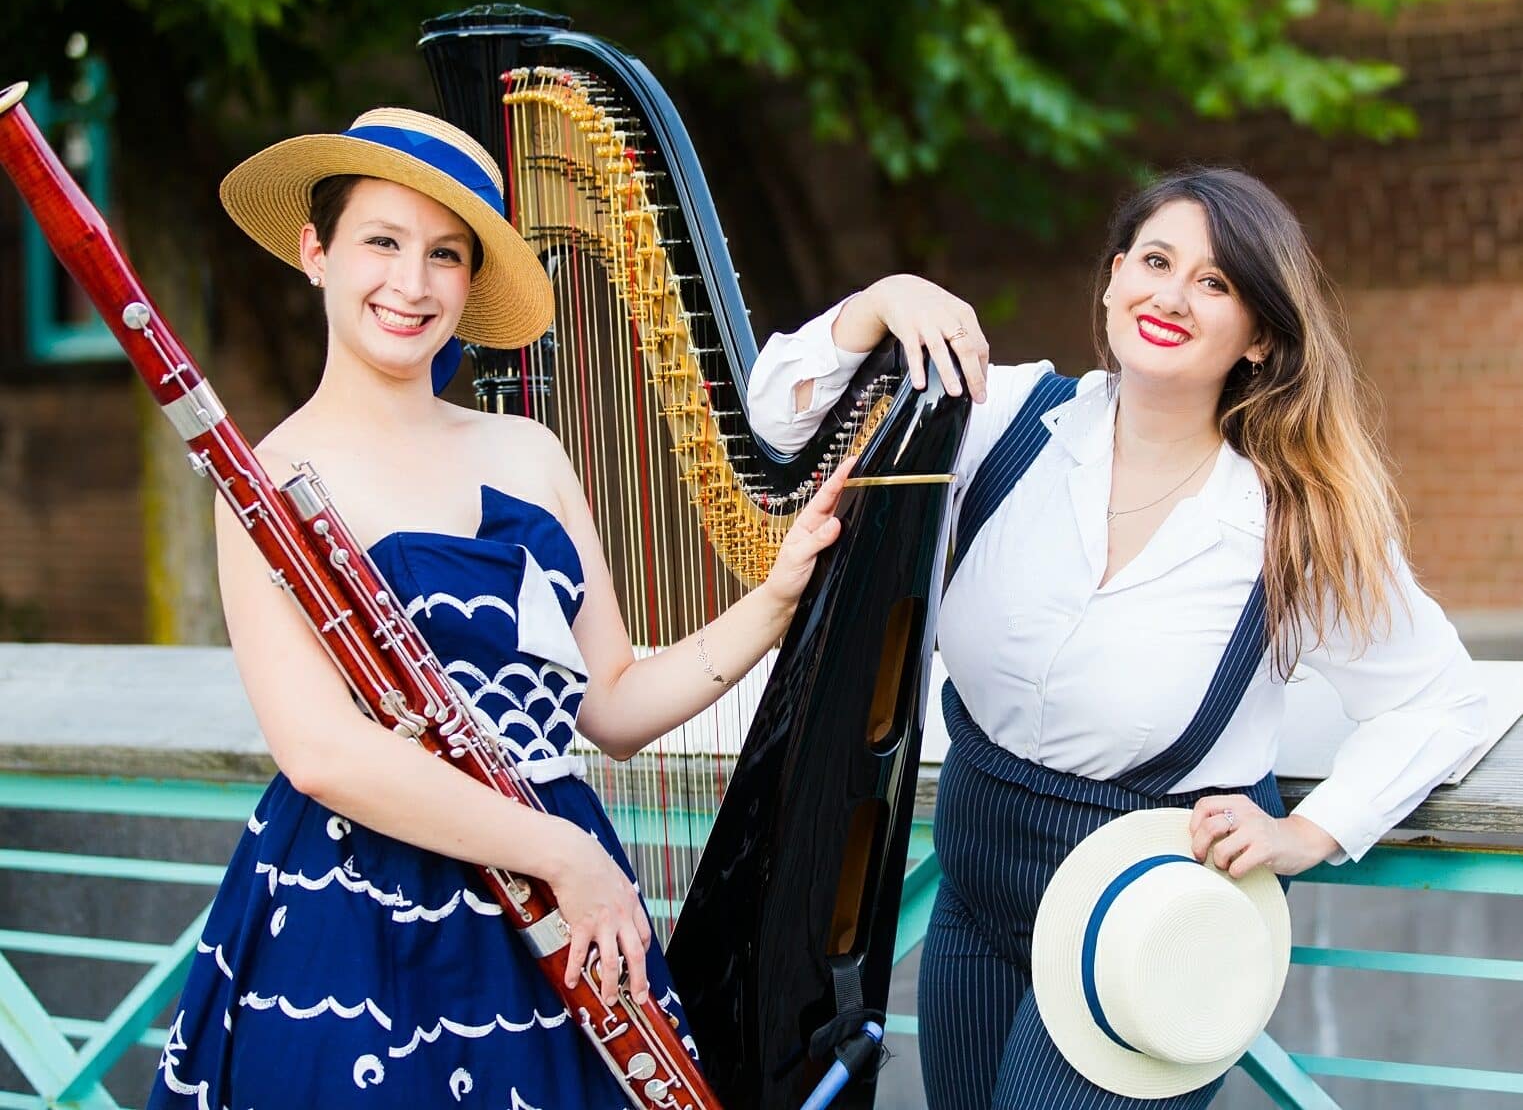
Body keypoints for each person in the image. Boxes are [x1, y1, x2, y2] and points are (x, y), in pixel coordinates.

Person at [149, 107, 847, 1109]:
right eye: (381, 242)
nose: (411, 281)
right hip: (366, 904)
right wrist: (563, 852)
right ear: (316, 250)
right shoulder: (270, 477)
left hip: (562, 911)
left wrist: (774, 600)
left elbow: (608, 704)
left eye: (444, 253)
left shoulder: (528, 451)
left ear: (470, 283)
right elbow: (323, 753)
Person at [746, 167, 1486, 1108]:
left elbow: (1438, 699)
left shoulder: (1294, 517)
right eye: (1155, 260)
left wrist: (1309, 832)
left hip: (1153, 922)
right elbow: (777, 423)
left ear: (1259, 337)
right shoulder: (1003, 421)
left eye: (1215, 284)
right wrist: (879, 304)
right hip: (973, 894)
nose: (1171, 296)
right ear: (1110, 279)